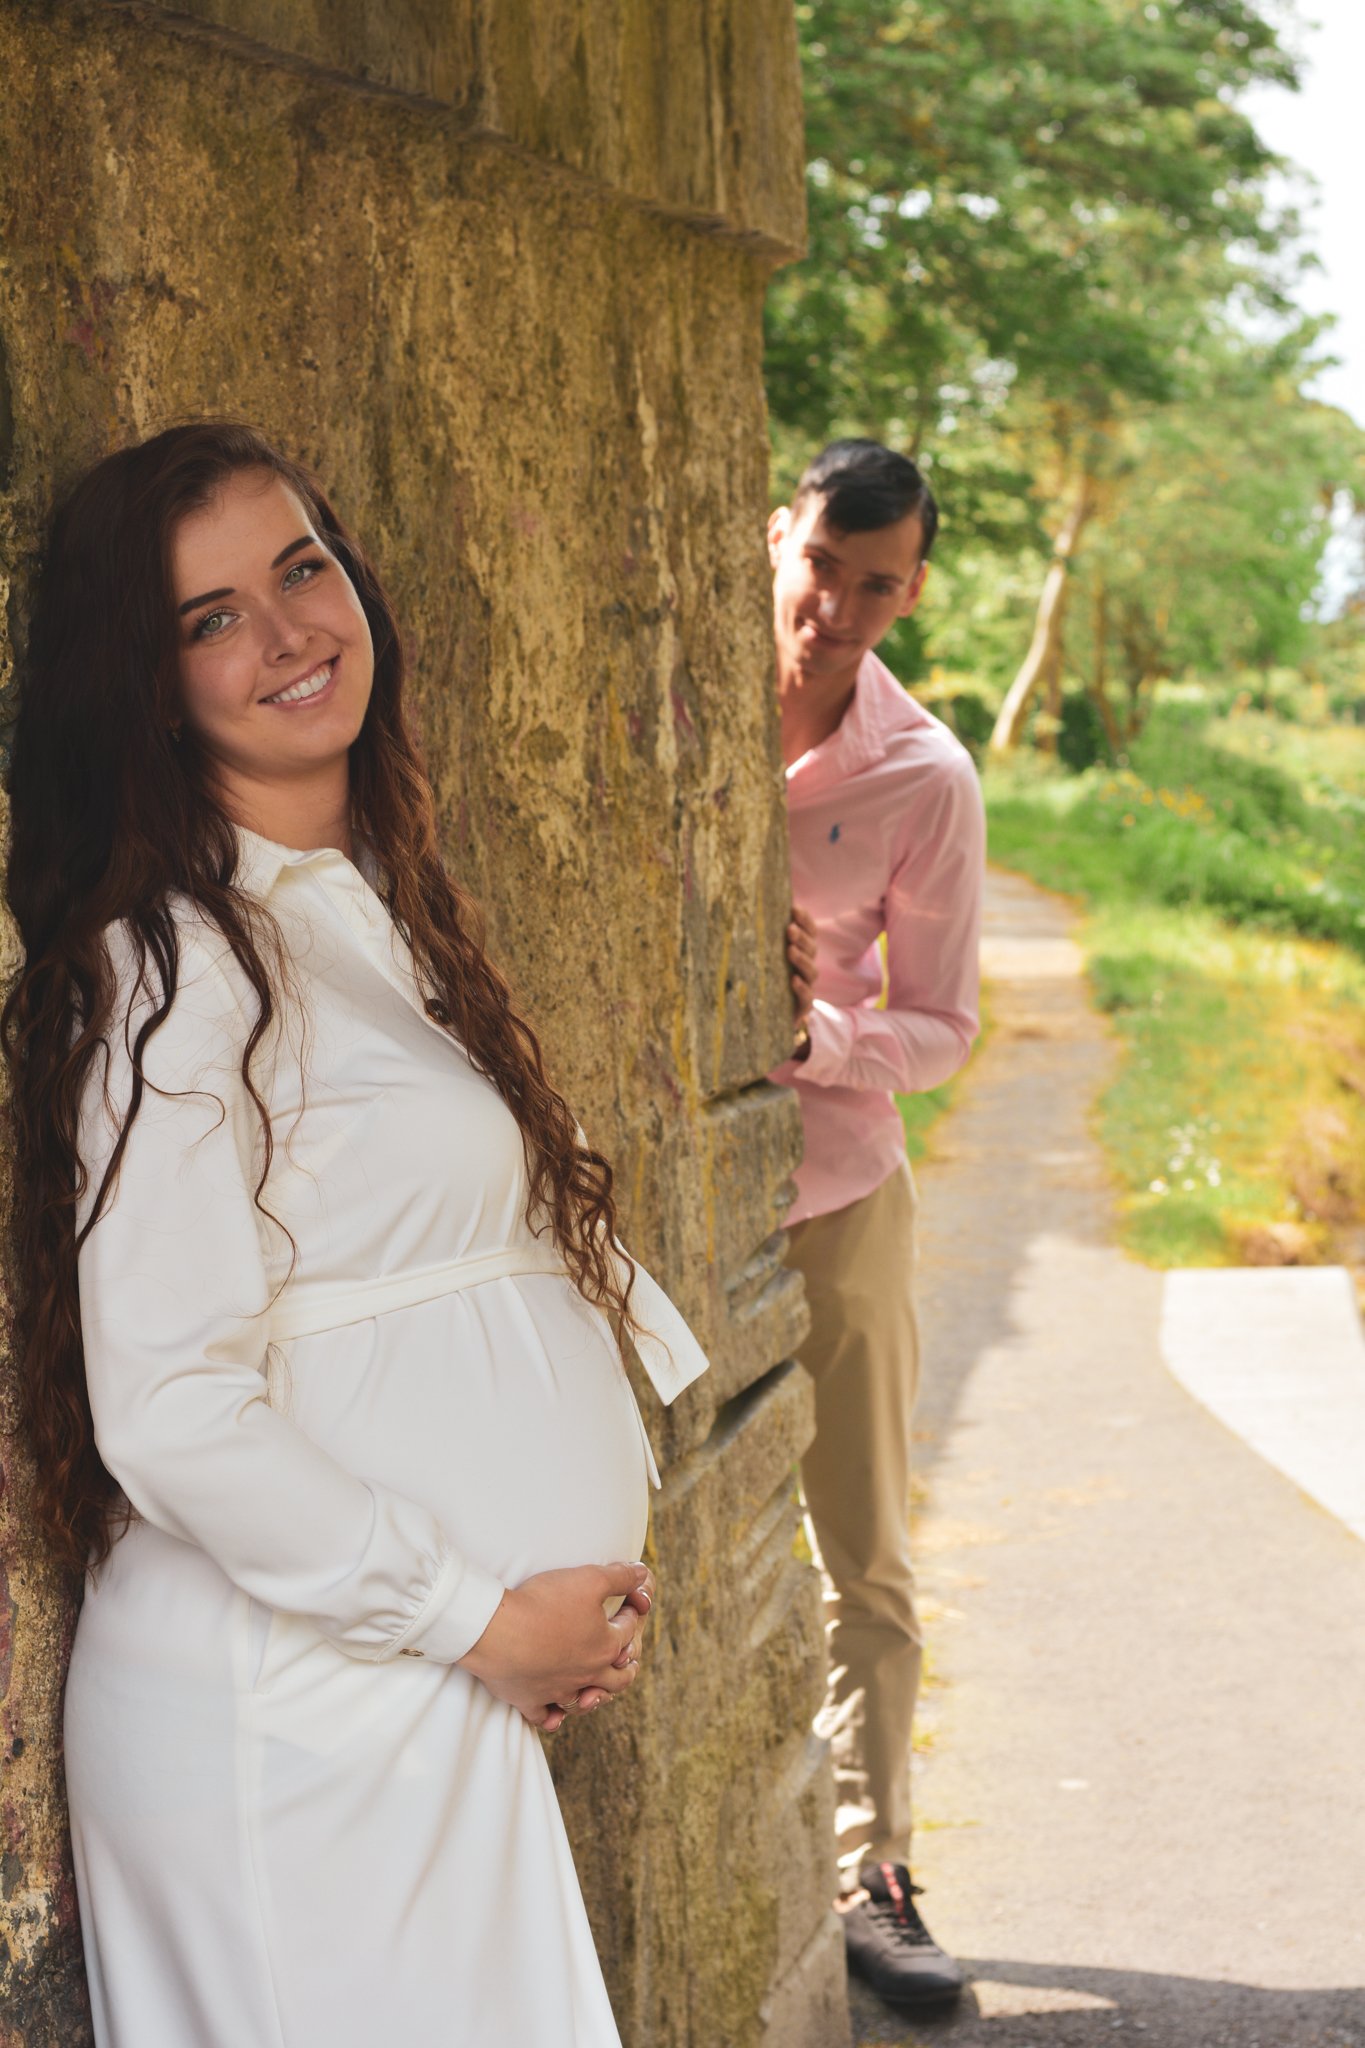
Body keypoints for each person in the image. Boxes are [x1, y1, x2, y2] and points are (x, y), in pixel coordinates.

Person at [2, 421, 709, 2048]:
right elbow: (171, 1408)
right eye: (211, 617)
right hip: (292, 1722)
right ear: (149, 680)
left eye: (301, 567)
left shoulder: (368, 911)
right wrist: (480, 1614)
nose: (288, 632)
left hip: (398, 1699)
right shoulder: (172, 969)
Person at [767, 439, 985, 2012]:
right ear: (782, 530)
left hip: (837, 1189)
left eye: (873, 584)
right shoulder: (664, 681)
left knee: (865, 1560)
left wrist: (825, 1038)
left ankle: (877, 1874)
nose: (832, 608)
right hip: (638, 1186)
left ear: (912, 590)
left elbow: (945, 1023)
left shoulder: (926, 778)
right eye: (819, 566)